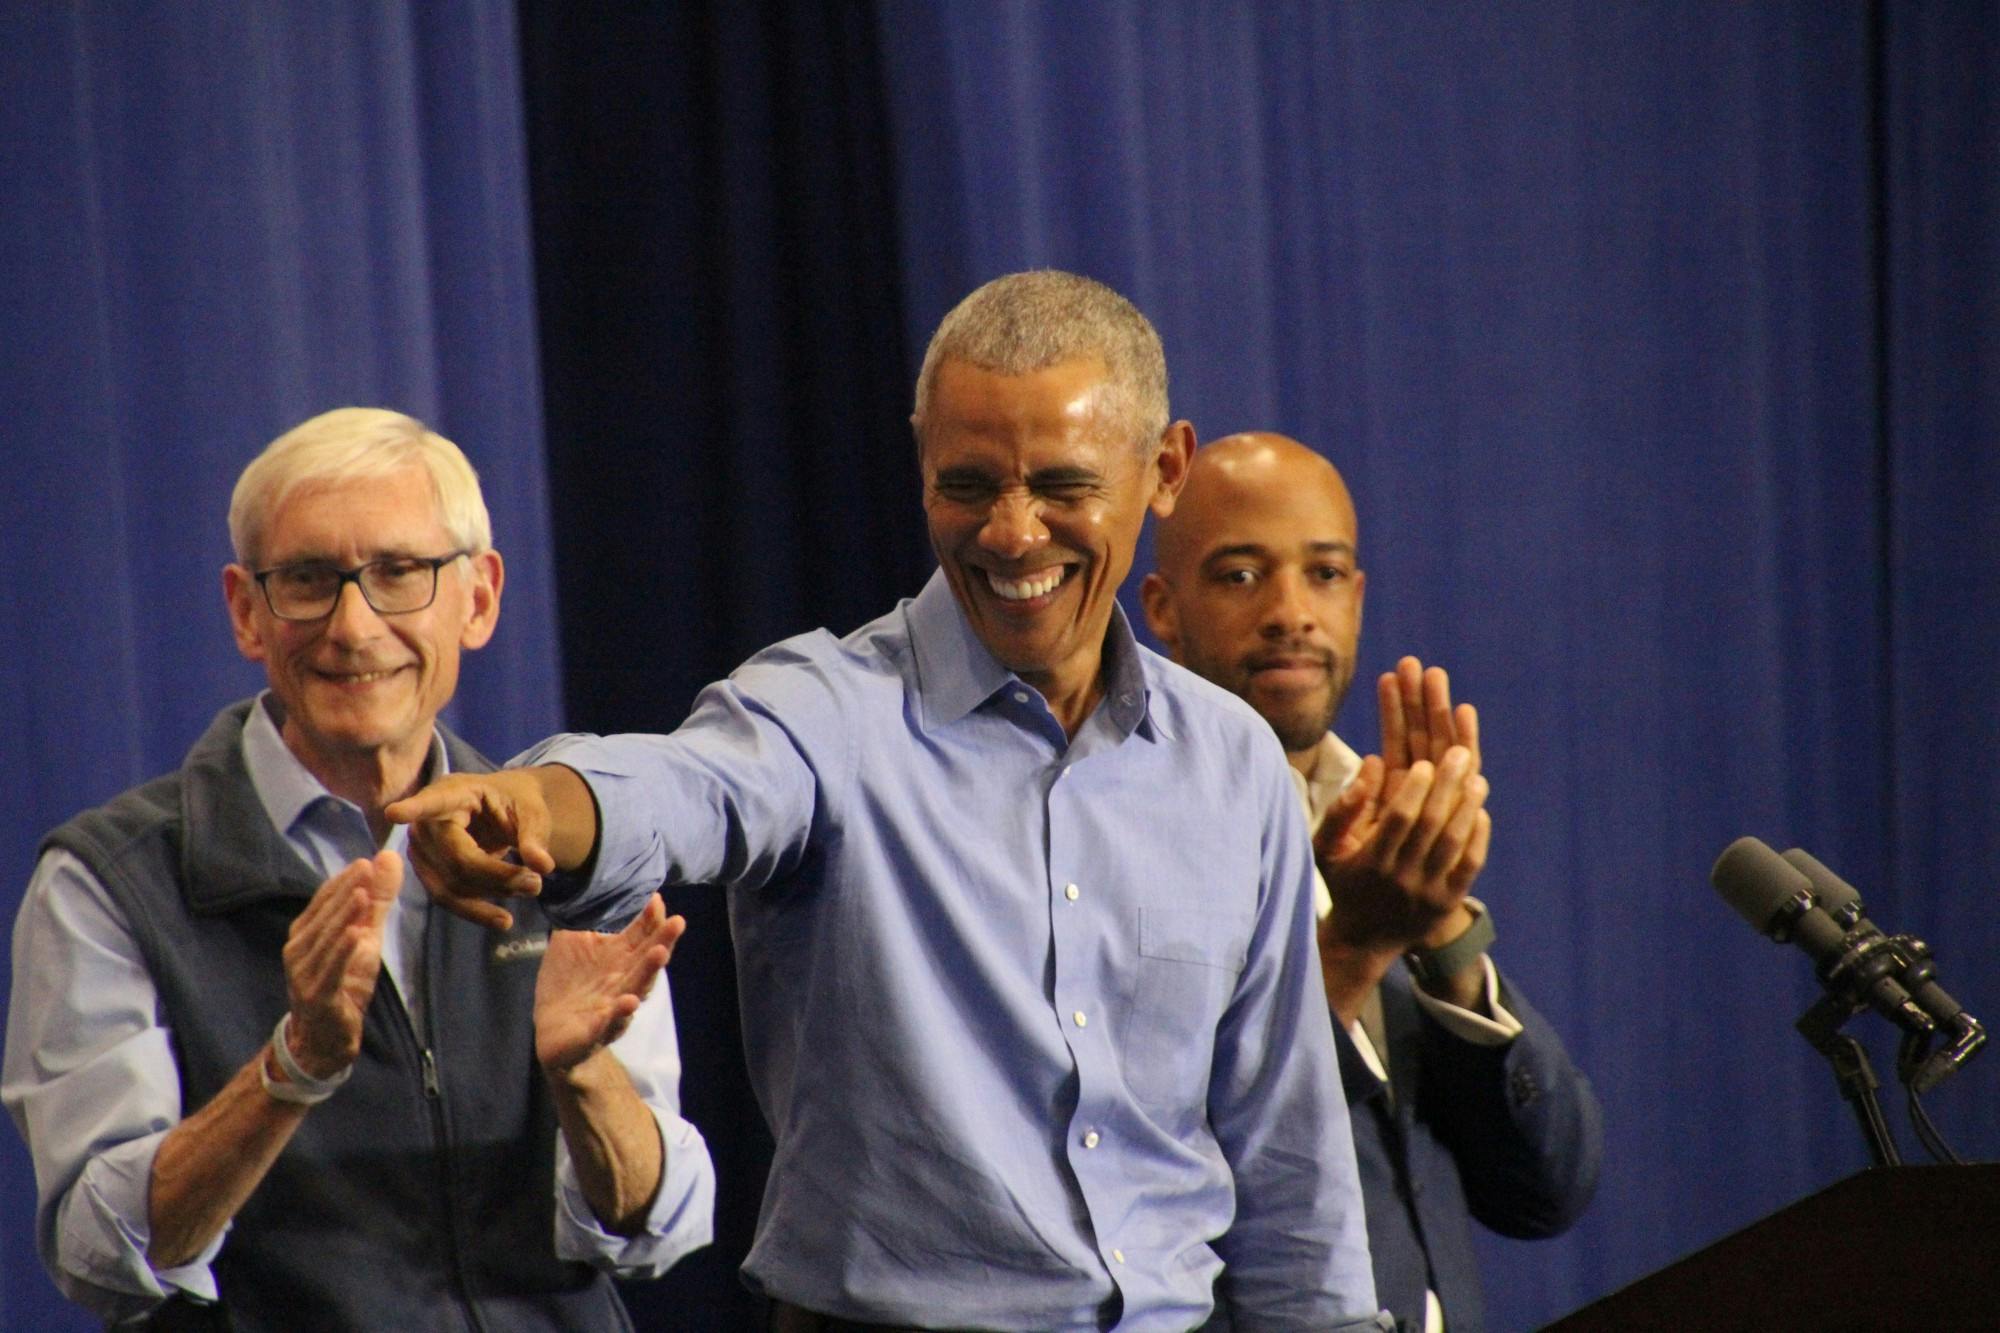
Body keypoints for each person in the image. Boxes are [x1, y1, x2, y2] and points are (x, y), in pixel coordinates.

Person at [387, 272, 1389, 1332]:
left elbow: (1291, 1175)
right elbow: (687, 785)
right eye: (965, 485)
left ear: (1164, 469)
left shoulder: (1231, 764)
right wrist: (535, 808)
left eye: (1060, 484)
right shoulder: (828, 712)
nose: (1009, 532)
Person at [2, 409, 714, 1330]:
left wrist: (583, 1075)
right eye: (307, 580)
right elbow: (102, 1250)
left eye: (398, 574)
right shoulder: (112, 880)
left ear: (481, 598)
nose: (352, 624)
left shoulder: (559, 847)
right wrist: (289, 1068)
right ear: (246, 612)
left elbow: (654, 1223)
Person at [1140, 432, 1601, 1333]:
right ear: (1162, 607)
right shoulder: (1121, 841)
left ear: (1356, 598)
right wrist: (1349, 946)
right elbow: (1159, 1163)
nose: (1289, 613)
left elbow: (1546, 1190)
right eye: (1239, 575)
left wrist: (1442, 939)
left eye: (1323, 574)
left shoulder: (1377, 831)